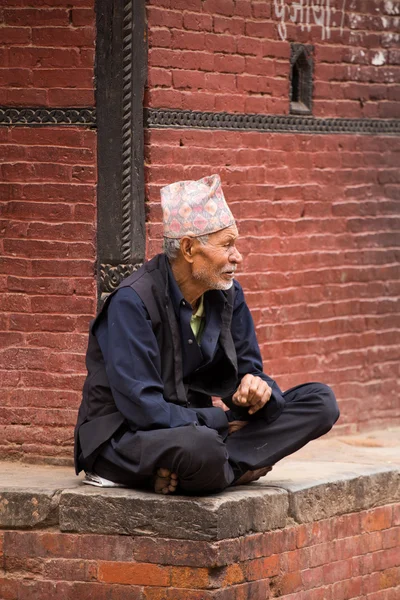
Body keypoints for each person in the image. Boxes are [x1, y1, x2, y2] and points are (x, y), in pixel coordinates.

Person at [74, 174, 340, 494]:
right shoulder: (133, 301)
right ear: (188, 249)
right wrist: (221, 421)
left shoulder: (227, 294)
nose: (237, 256)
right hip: (129, 436)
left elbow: (248, 372)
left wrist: (256, 390)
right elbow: (142, 409)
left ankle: (211, 473)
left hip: (198, 429)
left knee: (320, 401)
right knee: (202, 449)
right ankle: (228, 467)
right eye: (227, 244)